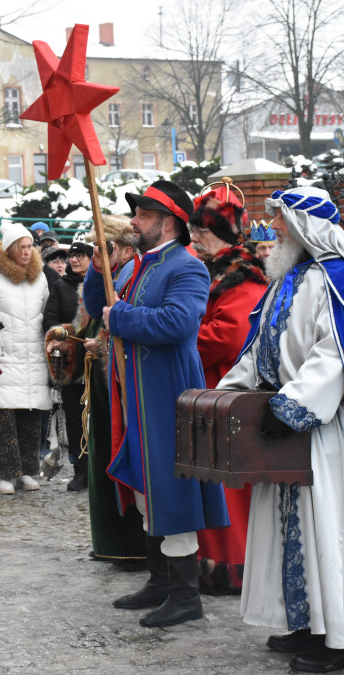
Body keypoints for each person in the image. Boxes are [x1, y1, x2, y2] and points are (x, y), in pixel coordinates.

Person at [214, 187, 344, 672]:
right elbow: (261, 349)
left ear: (303, 225)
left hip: (328, 431)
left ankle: (342, 641)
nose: (273, 229)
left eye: (280, 220)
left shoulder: (339, 278)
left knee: (333, 531)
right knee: (292, 529)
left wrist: (293, 406)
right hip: (286, 424)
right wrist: (225, 394)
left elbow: (337, 357)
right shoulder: (289, 279)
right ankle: (305, 623)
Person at [82, 179, 229, 629]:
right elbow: (96, 304)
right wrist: (98, 263)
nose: (133, 222)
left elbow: (178, 323)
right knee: (146, 489)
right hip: (136, 397)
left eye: (142, 216)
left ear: (167, 223)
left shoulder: (186, 266)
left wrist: (119, 317)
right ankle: (161, 581)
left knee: (171, 490)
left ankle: (186, 595)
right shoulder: (143, 264)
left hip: (166, 396)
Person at [188, 183, 269, 595]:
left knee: (228, 490)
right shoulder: (216, 270)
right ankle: (215, 562)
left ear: (219, 232)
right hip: (212, 391)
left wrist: (184, 337)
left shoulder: (241, 276)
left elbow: (230, 335)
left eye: (201, 232)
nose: (195, 239)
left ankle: (231, 567)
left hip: (227, 393)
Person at [77, 217, 146, 564]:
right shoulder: (113, 271)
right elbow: (93, 306)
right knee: (104, 452)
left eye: (109, 248)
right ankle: (110, 542)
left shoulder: (137, 272)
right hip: (105, 379)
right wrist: (97, 266)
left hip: (126, 378)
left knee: (125, 454)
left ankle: (133, 545)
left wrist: (105, 345)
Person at [0, 223, 51, 494]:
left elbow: (45, 315)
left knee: (31, 416)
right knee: (4, 418)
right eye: (22, 247)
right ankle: (7, 473)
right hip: (3, 356)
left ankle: (28, 470)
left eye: (30, 246)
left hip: (33, 356)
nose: (28, 252)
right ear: (11, 249)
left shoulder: (40, 277)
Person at [44, 240, 91, 491]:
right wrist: (62, 338)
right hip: (71, 362)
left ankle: (101, 472)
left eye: (81, 255)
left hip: (98, 360)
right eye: (72, 256)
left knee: (100, 418)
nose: (74, 260)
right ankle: (80, 471)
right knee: (74, 419)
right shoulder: (60, 286)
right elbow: (49, 320)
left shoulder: (104, 282)